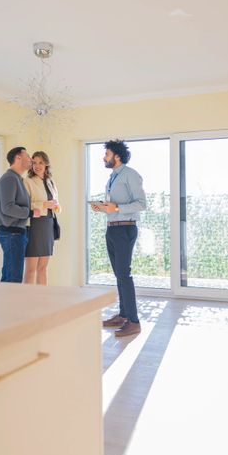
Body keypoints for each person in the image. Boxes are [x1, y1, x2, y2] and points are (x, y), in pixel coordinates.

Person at [90, 139, 146, 337]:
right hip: (112, 228)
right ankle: (123, 315)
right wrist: (103, 207)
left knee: (124, 275)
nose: (103, 157)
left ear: (117, 156)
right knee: (119, 275)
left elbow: (141, 204)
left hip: (125, 229)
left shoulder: (131, 175)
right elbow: (113, 206)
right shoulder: (112, 177)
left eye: (106, 154)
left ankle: (133, 321)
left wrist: (118, 208)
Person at [0, 146, 39, 283]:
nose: (31, 159)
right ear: (18, 158)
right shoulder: (10, 179)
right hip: (12, 234)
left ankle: (5, 304)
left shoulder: (17, 178)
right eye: (28, 156)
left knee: (11, 277)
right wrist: (29, 213)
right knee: (13, 279)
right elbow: (7, 207)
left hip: (17, 233)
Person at [23, 151, 61, 285]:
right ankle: (28, 301)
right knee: (31, 269)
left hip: (48, 225)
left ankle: (43, 300)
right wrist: (44, 204)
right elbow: (25, 206)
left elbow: (56, 205)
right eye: (34, 162)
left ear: (46, 165)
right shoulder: (27, 182)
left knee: (43, 268)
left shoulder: (50, 182)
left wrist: (55, 206)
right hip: (35, 225)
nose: (37, 166)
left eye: (41, 163)